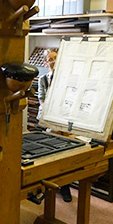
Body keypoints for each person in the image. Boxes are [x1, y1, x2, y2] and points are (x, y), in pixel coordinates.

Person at [37, 50, 72, 203]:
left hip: (63, 120)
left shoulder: (67, 79)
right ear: (46, 62)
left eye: (55, 58)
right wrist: (50, 113)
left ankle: (65, 187)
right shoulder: (43, 79)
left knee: (65, 154)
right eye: (49, 59)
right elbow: (42, 99)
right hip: (48, 119)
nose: (53, 61)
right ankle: (48, 186)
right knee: (49, 153)